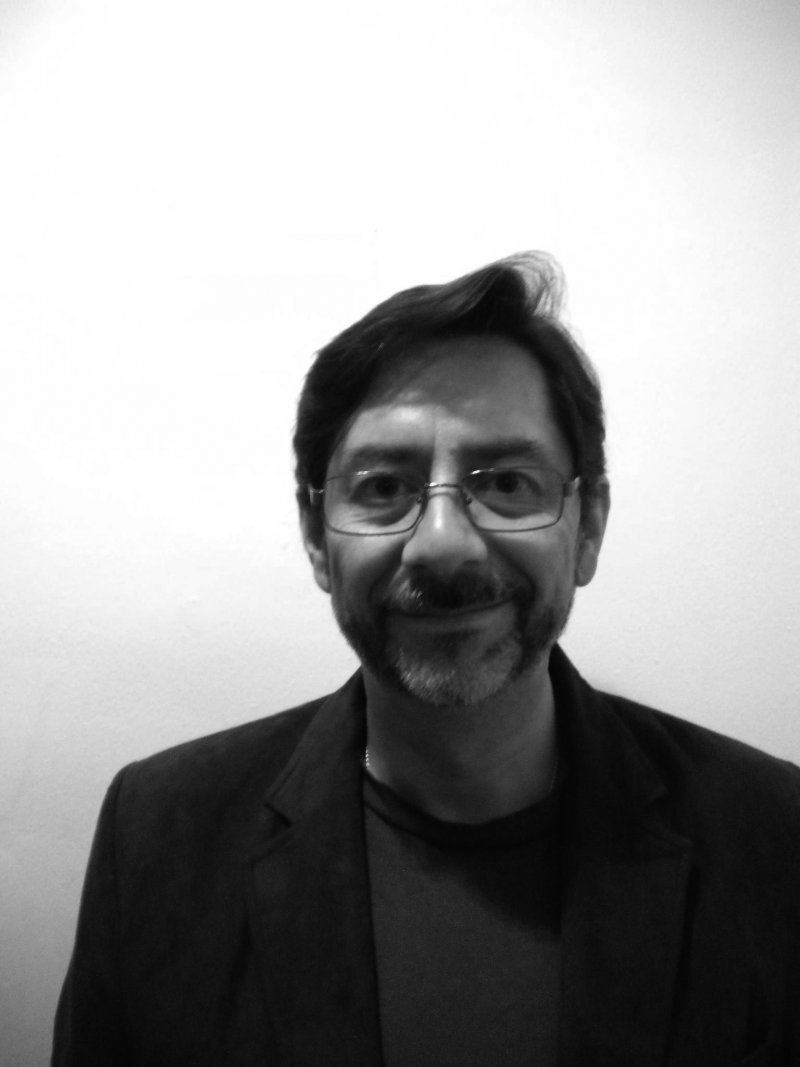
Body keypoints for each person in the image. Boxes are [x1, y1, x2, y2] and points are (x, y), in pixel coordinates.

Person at [53, 253, 800, 1066]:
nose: (443, 544)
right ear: (316, 538)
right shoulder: (156, 840)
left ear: (587, 527)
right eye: (383, 488)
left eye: (507, 482)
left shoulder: (773, 834)